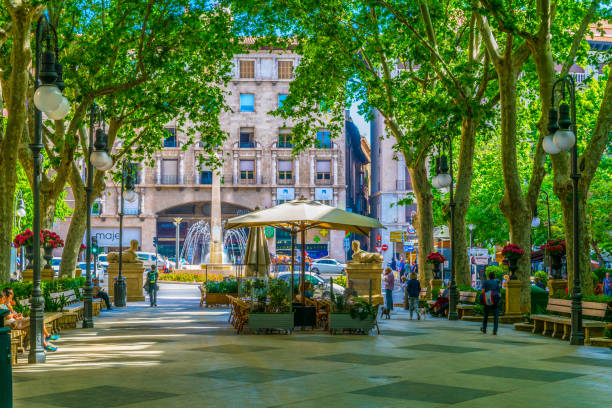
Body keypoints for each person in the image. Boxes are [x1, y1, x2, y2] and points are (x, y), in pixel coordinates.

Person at [481, 271, 501, 335]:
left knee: (486, 315)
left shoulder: (486, 282)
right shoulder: (496, 283)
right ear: (494, 277)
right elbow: (498, 293)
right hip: (495, 301)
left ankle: (484, 328)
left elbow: (483, 291)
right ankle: (495, 330)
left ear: (488, 277)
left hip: (488, 301)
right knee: (496, 316)